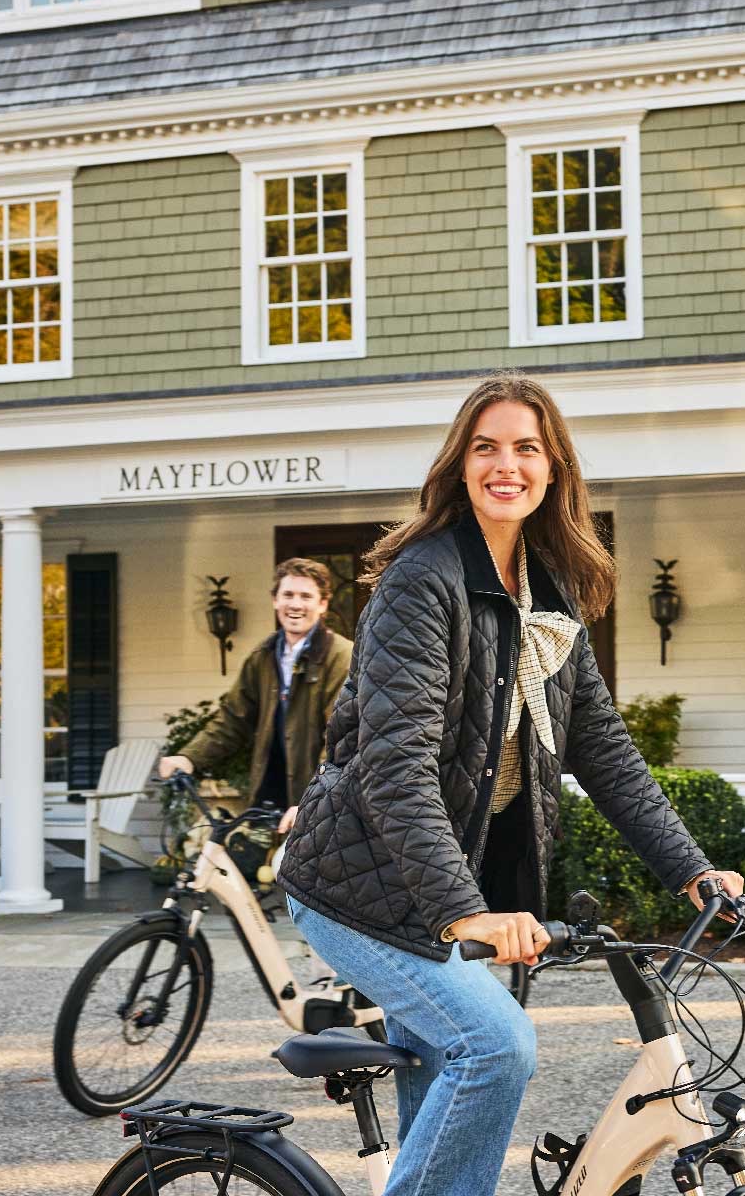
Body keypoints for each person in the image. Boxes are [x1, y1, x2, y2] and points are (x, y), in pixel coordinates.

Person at [278, 372, 744, 1196]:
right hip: (362, 889)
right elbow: (397, 767)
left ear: (554, 468)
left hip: (433, 890)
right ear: (460, 465)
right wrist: (467, 911)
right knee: (498, 1047)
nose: (507, 464)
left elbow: (601, 750)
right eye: (486, 447)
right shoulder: (423, 582)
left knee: (452, 1095)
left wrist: (692, 868)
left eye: (527, 448)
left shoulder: (547, 596)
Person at [159, 558, 352, 836]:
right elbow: (232, 720)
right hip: (272, 804)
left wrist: (312, 802)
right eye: (288, 595)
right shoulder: (263, 657)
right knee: (265, 874)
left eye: (306, 596)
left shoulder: (341, 658)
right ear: (275, 600)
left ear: (323, 604)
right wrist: (189, 758)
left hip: (323, 808)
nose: (295, 605)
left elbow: (339, 738)